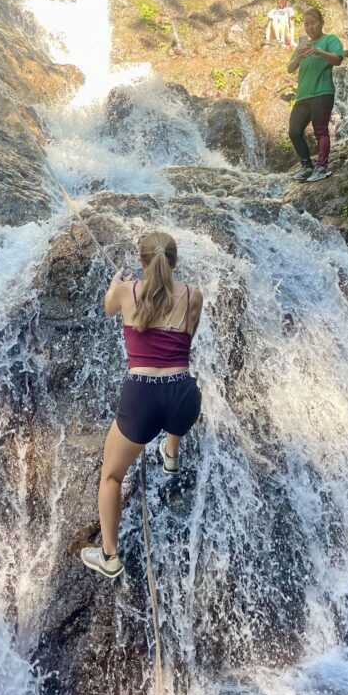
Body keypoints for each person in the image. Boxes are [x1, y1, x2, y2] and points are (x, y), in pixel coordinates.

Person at [80, 231, 204, 580]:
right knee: (178, 404)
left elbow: (108, 309)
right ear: (174, 262)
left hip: (142, 397)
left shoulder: (126, 291)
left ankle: (109, 556)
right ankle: (171, 454)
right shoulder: (194, 295)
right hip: (184, 398)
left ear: (142, 262)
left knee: (112, 476)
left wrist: (115, 283)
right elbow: (188, 336)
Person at [286, 7, 344, 183]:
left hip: (322, 92)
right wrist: (298, 57)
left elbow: (338, 59)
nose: (310, 27)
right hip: (303, 96)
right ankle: (306, 166)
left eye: (313, 23)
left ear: (321, 23)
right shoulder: (301, 47)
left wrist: (318, 52)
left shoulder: (330, 39)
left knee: (321, 131)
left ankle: (322, 167)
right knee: (294, 131)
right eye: (306, 24)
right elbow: (289, 69)